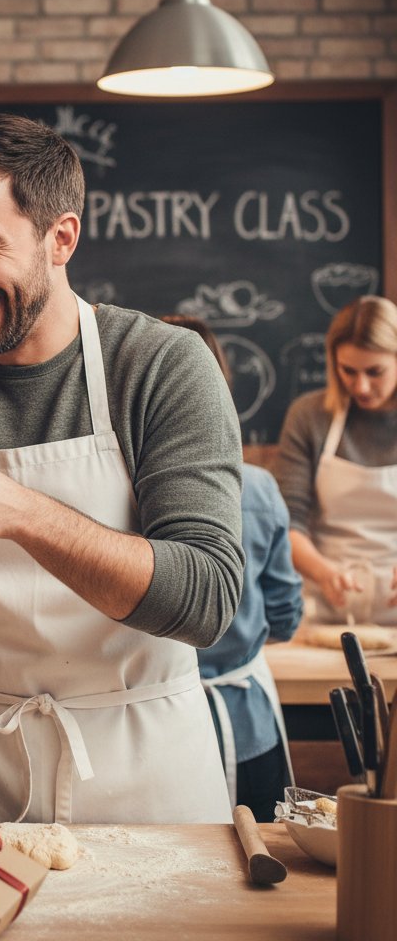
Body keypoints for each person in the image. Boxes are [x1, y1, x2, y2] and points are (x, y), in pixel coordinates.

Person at [0, 113, 243, 825]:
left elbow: (206, 598)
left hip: (146, 775)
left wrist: (24, 513)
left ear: (60, 238)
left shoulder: (161, 367)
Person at [162, 314, 303, 822]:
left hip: (156, 733)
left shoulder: (119, 496)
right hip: (248, 729)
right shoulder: (258, 487)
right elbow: (284, 615)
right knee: (263, 857)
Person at [275, 295, 397, 624]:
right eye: (348, 371)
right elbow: (288, 522)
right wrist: (324, 572)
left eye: (375, 372)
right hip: (327, 608)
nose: (361, 386)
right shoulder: (309, 416)